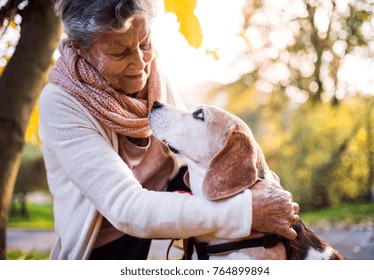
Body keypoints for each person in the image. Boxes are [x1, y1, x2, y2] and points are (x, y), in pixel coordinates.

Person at [38, 0, 300, 260]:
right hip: (108, 243)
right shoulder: (60, 103)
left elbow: (193, 148)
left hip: (172, 193)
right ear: (80, 49)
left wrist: (266, 195)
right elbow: (125, 208)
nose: (140, 63)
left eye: (144, 43)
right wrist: (245, 211)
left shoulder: (152, 73)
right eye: (119, 53)